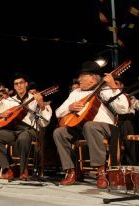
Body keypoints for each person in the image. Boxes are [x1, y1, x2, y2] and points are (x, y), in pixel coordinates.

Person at [53, 61, 129, 189]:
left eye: (82, 77)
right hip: (81, 127)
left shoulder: (106, 90)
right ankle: (71, 171)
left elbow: (123, 109)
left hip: (106, 127)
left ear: (93, 79)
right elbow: (58, 112)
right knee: (59, 132)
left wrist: (113, 87)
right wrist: (70, 107)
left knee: (90, 125)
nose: (79, 80)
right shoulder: (75, 93)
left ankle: (101, 172)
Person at [0, 73, 52, 181]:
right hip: (13, 130)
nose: (19, 86)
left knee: (23, 137)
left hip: (29, 130)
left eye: (21, 83)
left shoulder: (35, 97)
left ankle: (23, 170)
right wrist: (0, 114)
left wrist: (40, 103)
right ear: (14, 87)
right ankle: (9, 167)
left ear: (26, 84)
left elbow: (45, 122)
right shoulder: (9, 101)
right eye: (16, 84)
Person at [114, 77, 138, 165]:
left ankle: (130, 163)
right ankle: (115, 163)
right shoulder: (108, 97)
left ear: (121, 86)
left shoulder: (128, 96)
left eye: (116, 83)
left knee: (126, 124)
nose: (113, 85)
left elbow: (136, 103)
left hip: (126, 121)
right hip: (113, 121)